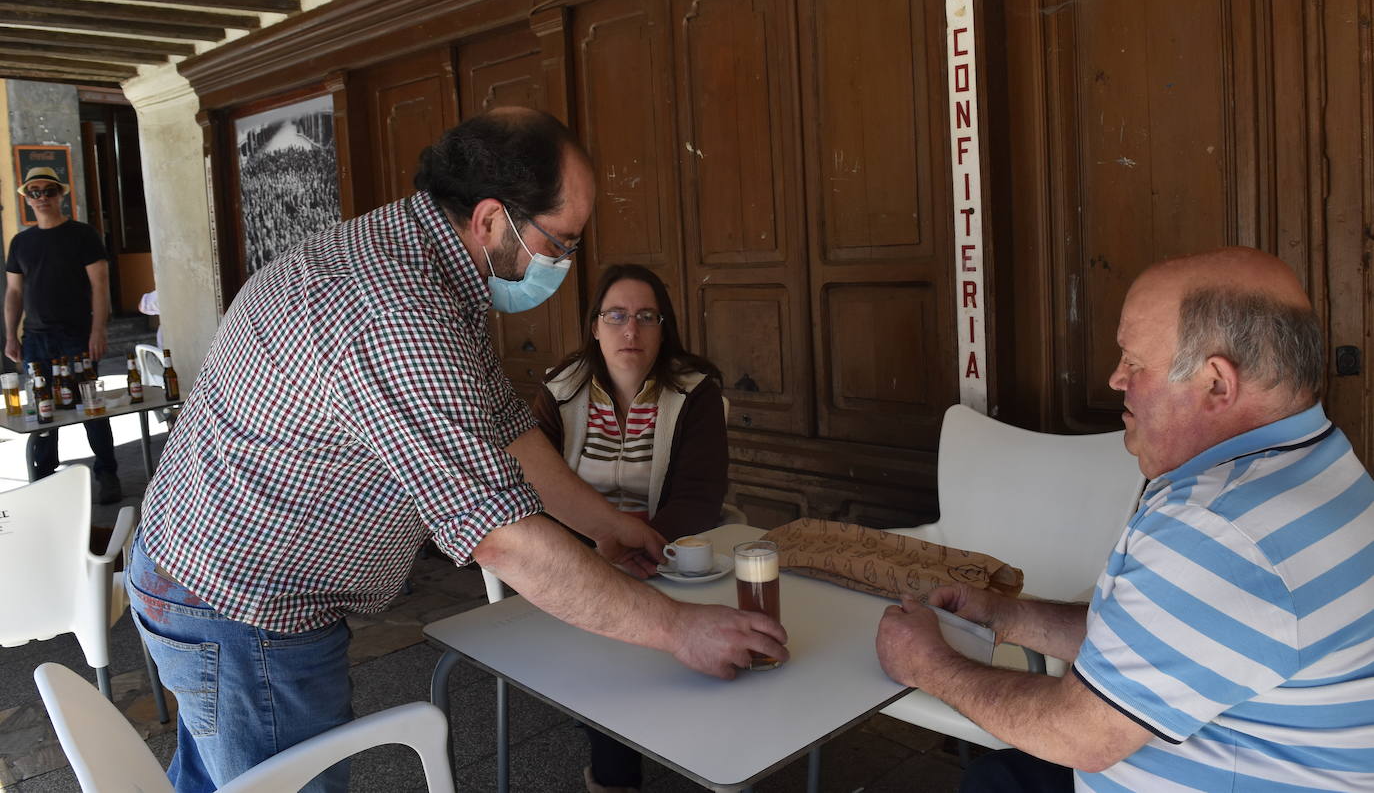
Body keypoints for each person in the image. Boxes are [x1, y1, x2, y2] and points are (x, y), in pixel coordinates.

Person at [127, 108, 787, 793]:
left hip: (200, 578)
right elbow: (501, 539)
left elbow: (506, 426)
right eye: (560, 242)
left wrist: (604, 525)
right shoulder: (397, 312)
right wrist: (682, 630)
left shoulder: (422, 260)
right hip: (242, 610)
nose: (567, 263)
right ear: (492, 221)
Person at [876, 246, 1374, 792]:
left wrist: (926, 666)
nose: (1116, 380)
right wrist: (1005, 615)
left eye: (1135, 363)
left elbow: (1081, 736)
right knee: (996, 778)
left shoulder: (1218, 529)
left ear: (1216, 384)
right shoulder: (1314, 459)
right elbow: (1155, 636)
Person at [533, 263, 729, 793]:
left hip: (665, 556)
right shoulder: (561, 390)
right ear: (595, 325)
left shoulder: (695, 392)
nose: (631, 330)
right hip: (581, 560)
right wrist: (593, 557)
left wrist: (647, 553)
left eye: (647, 316)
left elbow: (699, 496)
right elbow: (533, 489)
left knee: (617, 655)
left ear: (663, 328)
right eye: (616, 315)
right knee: (609, 655)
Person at [3, 165, 120, 502]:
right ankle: (44, 477)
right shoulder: (21, 242)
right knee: (43, 408)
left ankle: (107, 472)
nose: (42, 197)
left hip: (77, 335)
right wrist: (10, 335)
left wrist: (98, 330)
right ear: (27, 198)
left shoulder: (83, 234)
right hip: (36, 338)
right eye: (34, 192)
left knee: (91, 407)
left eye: (48, 191)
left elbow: (100, 286)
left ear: (60, 195)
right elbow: (13, 292)